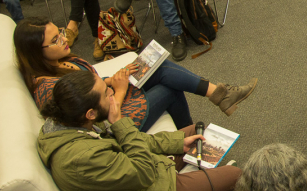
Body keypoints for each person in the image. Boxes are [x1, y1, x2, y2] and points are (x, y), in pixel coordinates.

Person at [36, 70, 242, 191]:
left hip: (132, 180)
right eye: (106, 93)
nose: (111, 92)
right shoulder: (82, 157)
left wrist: (179, 142)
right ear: (90, 113)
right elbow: (144, 173)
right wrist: (119, 123)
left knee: (193, 134)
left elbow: (128, 144)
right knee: (235, 175)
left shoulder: (72, 122)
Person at [15, 18, 258, 132]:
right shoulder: (47, 88)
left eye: (60, 32)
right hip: (113, 121)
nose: (64, 38)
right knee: (169, 89)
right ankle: (194, 134)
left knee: (157, 67)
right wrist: (118, 92)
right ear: (37, 52)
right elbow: (91, 123)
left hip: (109, 95)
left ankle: (219, 94)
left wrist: (112, 79)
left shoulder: (60, 60)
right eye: (55, 39)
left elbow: (90, 83)